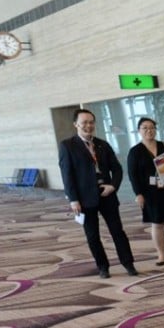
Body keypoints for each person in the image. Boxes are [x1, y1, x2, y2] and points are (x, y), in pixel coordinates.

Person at [58, 108, 138, 278]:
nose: (88, 125)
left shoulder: (103, 144)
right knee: (93, 236)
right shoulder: (68, 146)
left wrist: (113, 186)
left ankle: (128, 264)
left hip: (107, 194)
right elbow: (67, 175)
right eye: (84, 122)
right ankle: (103, 267)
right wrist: (73, 200)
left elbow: (116, 169)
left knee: (118, 231)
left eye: (91, 122)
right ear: (76, 125)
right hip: (85, 198)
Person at [127, 117, 164, 266]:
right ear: (139, 131)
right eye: (145, 128)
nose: (149, 130)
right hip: (150, 192)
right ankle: (161, 255)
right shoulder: (135, 151)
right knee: (157, 223)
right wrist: (138, 194)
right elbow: (132, 175)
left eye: (152, 127)